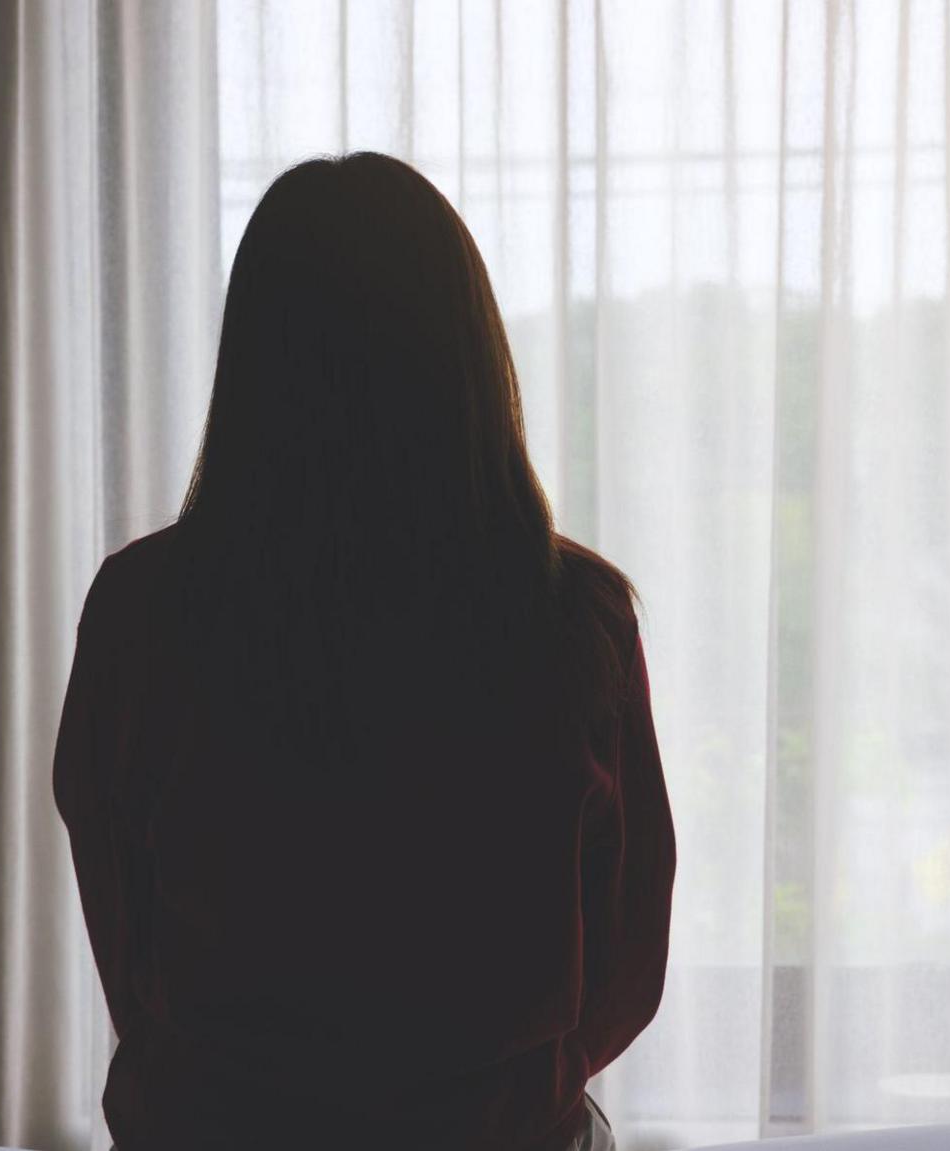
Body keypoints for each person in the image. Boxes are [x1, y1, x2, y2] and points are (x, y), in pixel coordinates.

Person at [53, 152, 676, 1151]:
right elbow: (626, 958)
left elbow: (124, 928)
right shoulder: (577, 615)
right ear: (468, 357)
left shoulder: (141, 610)